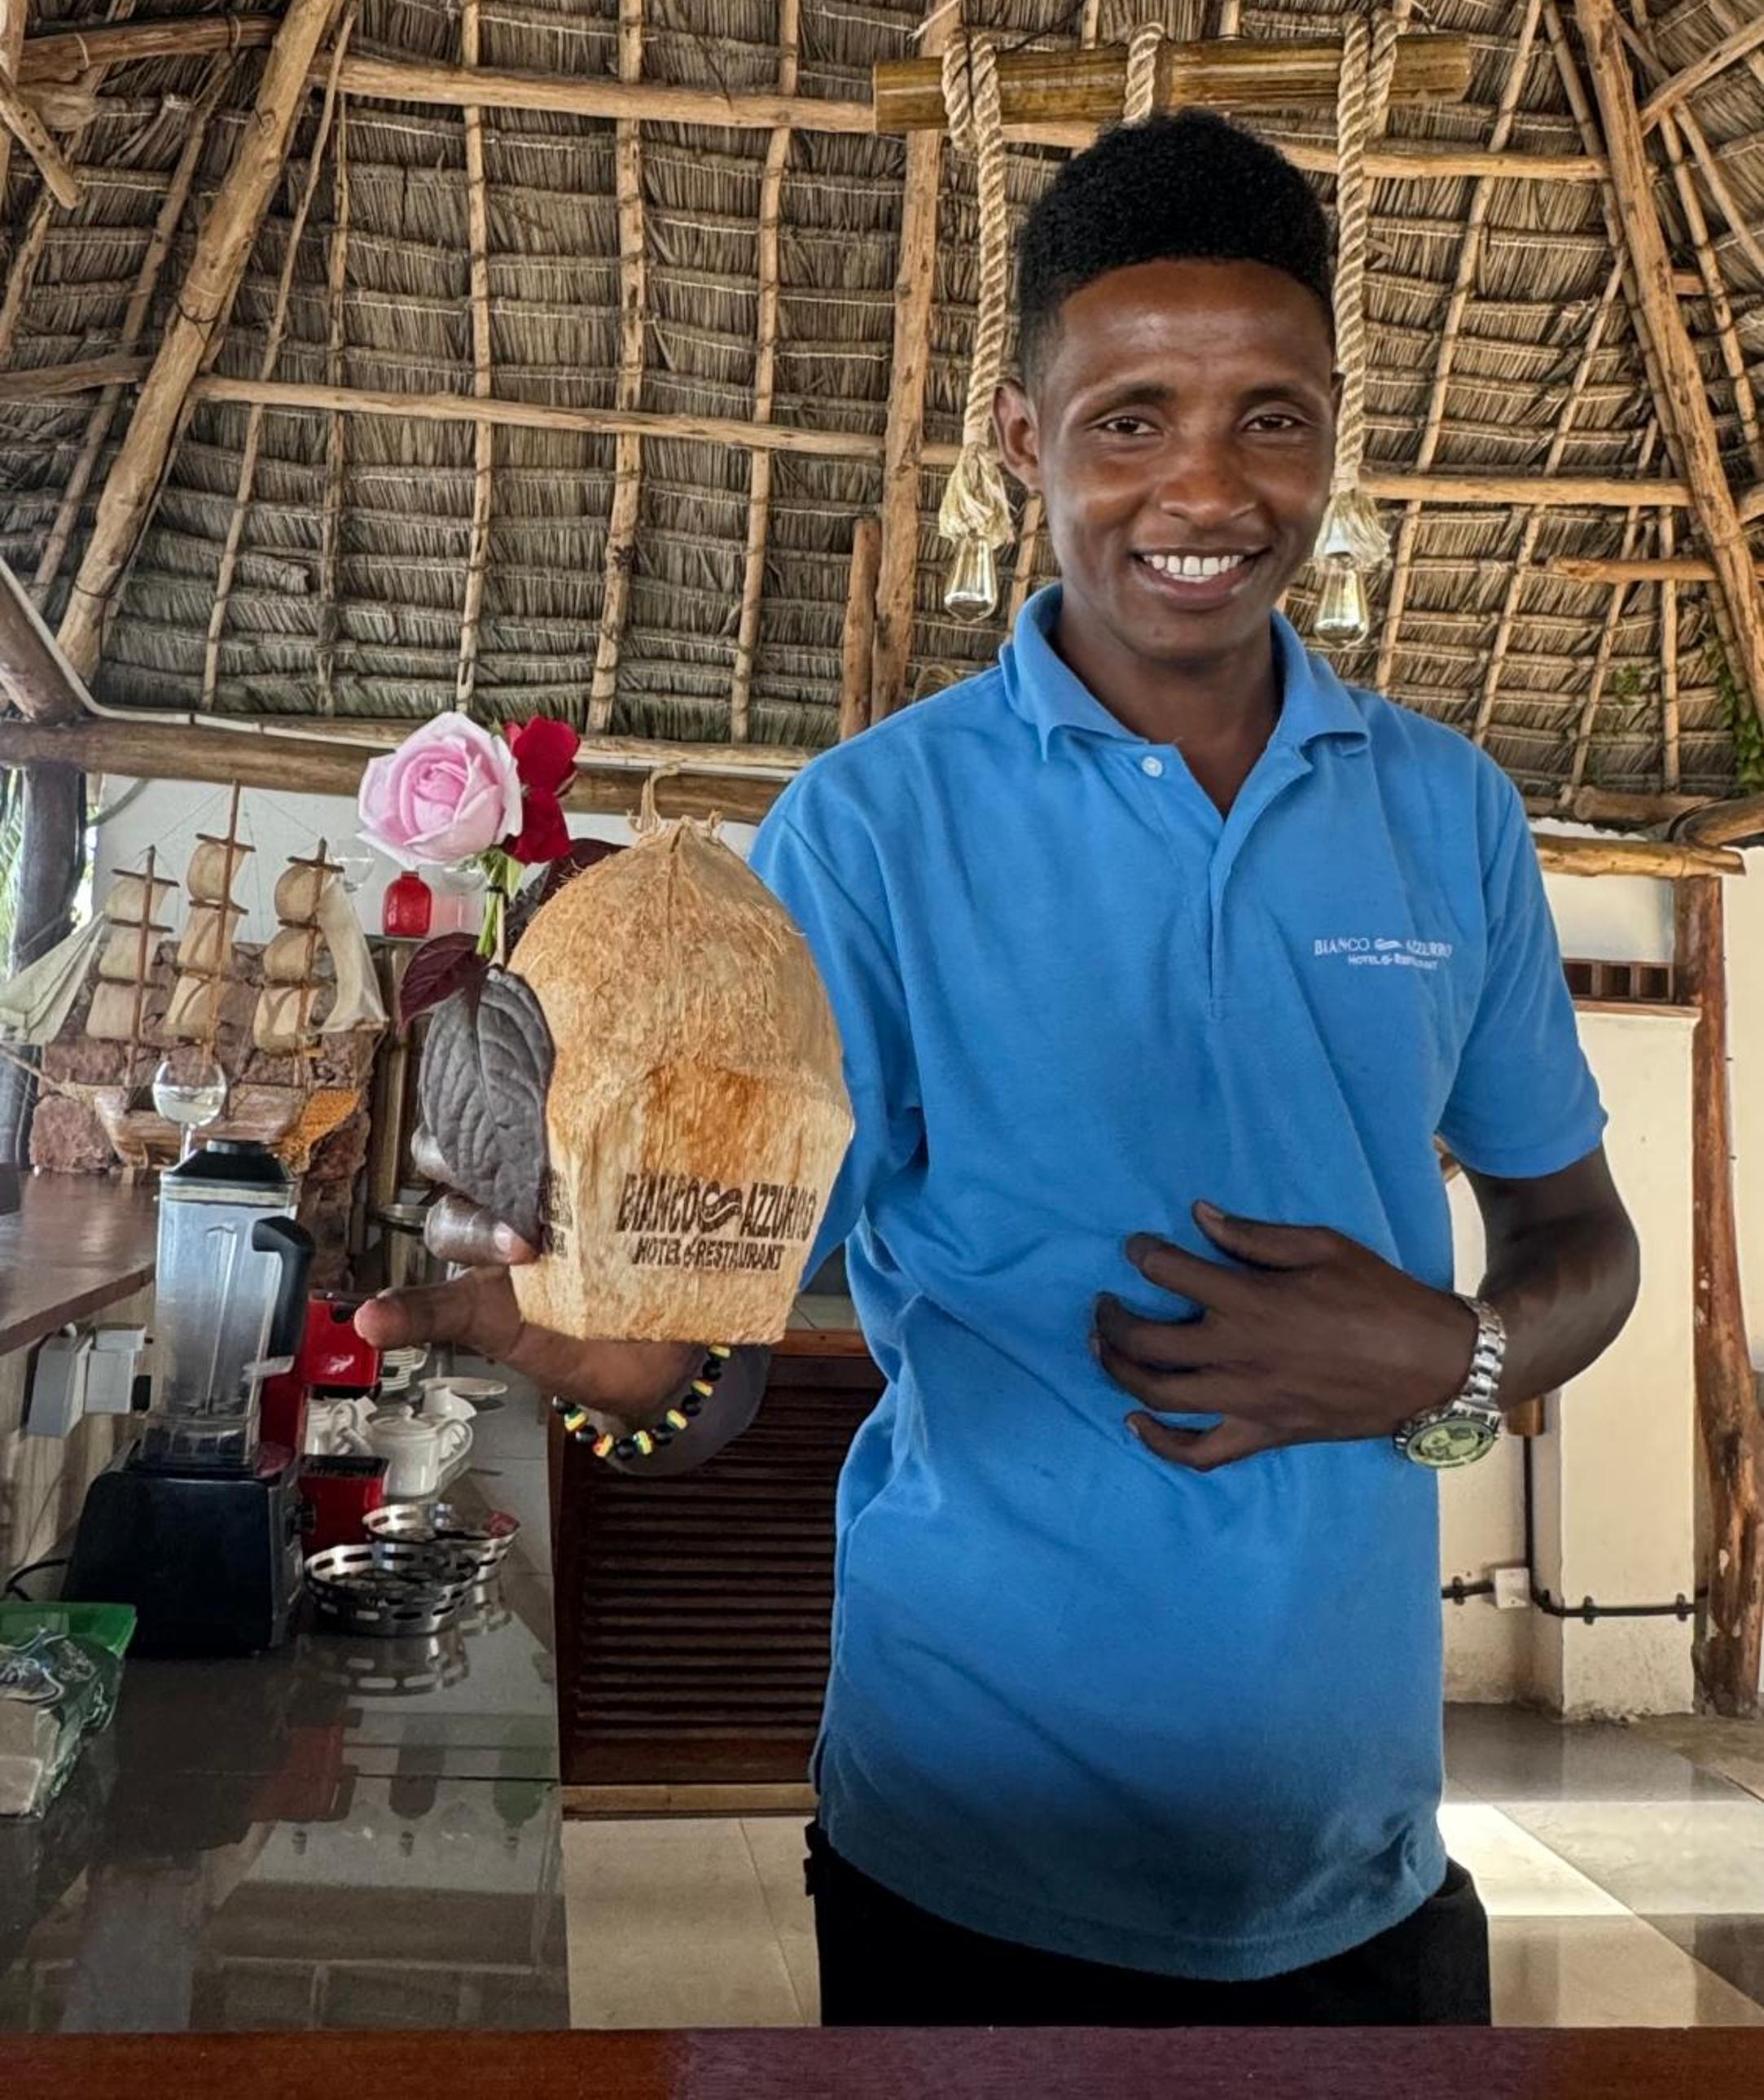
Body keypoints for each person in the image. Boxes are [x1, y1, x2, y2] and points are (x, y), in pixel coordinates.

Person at [358, 110, 1639, 2029]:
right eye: (1130, 418)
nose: (1205, 485)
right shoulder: (868, 832)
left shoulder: (1448, 814)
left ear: (1332, 436)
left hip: (1366, 1865)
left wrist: (1448, 1358)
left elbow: (1581, 1241)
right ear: (1022, 440)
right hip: (967, 1860)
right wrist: (616, 1362)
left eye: (1270, 417)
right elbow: (708, 1360)